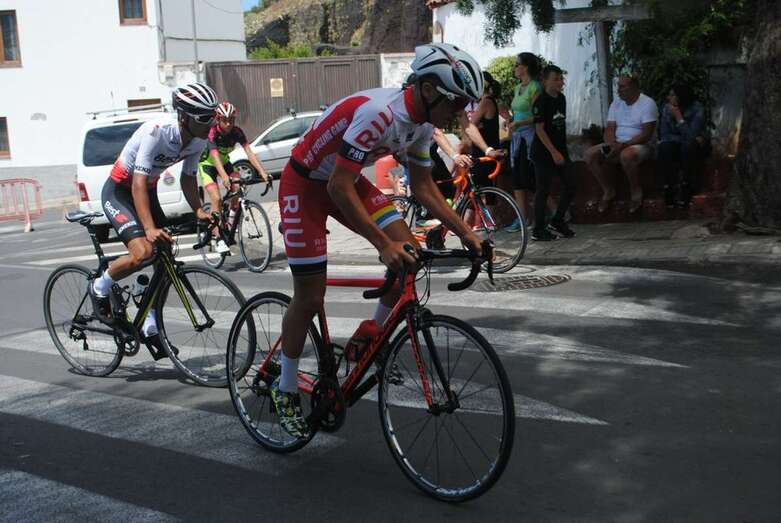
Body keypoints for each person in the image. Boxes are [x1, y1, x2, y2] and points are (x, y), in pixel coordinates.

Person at [274, 43, 487, 438]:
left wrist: (466, 232)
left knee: (410, 253)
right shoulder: (380, 114)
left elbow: (423, 186)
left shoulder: (421, 125)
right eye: (456, 102)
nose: (460, 112)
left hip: (344, 181)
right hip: (304, 185)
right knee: (310, 295)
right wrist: (380, 244)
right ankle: (284, 386)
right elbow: (337, 187)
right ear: (428, 90)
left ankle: (370, 336)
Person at [90, 83, 217, 349]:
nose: (212, 122)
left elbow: (188, 177)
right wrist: (148, 229)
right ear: (184, 117)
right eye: (205, 117)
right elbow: (137, 183)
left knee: (165, 255)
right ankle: (100, 285)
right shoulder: (156, 132)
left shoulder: (199, 140)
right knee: (143, 252)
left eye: (213, 115)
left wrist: (198, 209)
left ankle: (149, 320)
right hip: (119, 191)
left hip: (147, 192)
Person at [198, 101, 271, 253]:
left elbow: (249, 153)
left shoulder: (237, 132)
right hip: (208, 165)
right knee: (216, 199)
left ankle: (231, 222)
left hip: (225, 163)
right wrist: (224, 177)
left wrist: (263, 172)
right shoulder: (212, 133)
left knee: (237, 186)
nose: (229, 124)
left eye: (231, 120)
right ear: (218, 119)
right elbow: (215, 157)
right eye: (225, 120)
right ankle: (218, 238)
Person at [585, 75, 658, 214]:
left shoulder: (648, 103)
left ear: (634, 87)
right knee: (589, 155)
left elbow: (646, 134)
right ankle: (608, 191)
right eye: (618, 86)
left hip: (641, 145)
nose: (618, 90)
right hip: (617, 144)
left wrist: (622, 146)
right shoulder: (616, 103)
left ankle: (635, 191)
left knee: (626, 155)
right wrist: (611, 145)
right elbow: (610, 128)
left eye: (622, 86)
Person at [530, 65, 576, 241]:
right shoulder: (541, 100)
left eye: (561, 79)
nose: (560, 82)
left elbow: (559, 125)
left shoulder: (561, 98)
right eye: (556, 79)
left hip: (560, 149)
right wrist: (554, 152)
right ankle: (538, 229)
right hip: (543, 152)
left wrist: (562, 150)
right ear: (545, 81)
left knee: (571, 184)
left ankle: (557, 221)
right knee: (543, 189)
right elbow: (539, 129)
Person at [657, 84, 708, 208]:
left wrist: (679, 118)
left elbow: (692, 136)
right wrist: (682, 138)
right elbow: (664, 135)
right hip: (676, 143)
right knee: (665, 147)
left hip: (692, 147)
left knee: (688, 146)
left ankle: (687, 188)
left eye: (672, 95)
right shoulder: (666, 108)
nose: (669, 98)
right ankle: (669, 188)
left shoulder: (697, 108)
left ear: (681, 96)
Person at [507, 52, 542, 229]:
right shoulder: (517, 88)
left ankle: (548, 211)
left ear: (525, 67)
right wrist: (511, 121)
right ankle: (522, 218)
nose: (514, 68)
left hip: (531, 137)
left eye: (517, 64)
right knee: (518, 178)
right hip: (517, 138)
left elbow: (538, 115)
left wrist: (519, 123)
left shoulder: (535, 87)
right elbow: (517, 112)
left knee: (531, 177)